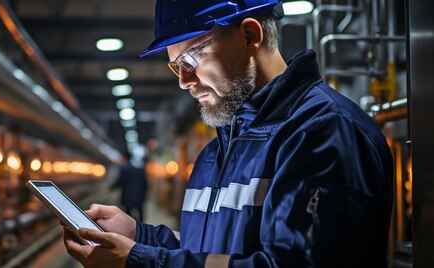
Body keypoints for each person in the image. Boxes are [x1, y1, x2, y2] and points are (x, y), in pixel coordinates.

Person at [63, 0, 394, 267]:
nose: (184, 80)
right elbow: (213, 252)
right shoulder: (218, 150)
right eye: (176, 65)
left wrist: (140, 262)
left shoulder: (323, 132)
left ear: (250, 36)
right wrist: (140, 237)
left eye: (191, 57)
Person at [112, 151, 148, 222]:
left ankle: (132, 228)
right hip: (139, 196)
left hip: (128, 196)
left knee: (128, 215)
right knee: (140, 213)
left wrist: (112, 187)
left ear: (124, 158)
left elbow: (120, 182)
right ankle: (142, 228)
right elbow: (145, 184)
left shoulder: (124, 168)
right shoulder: (140, 169)